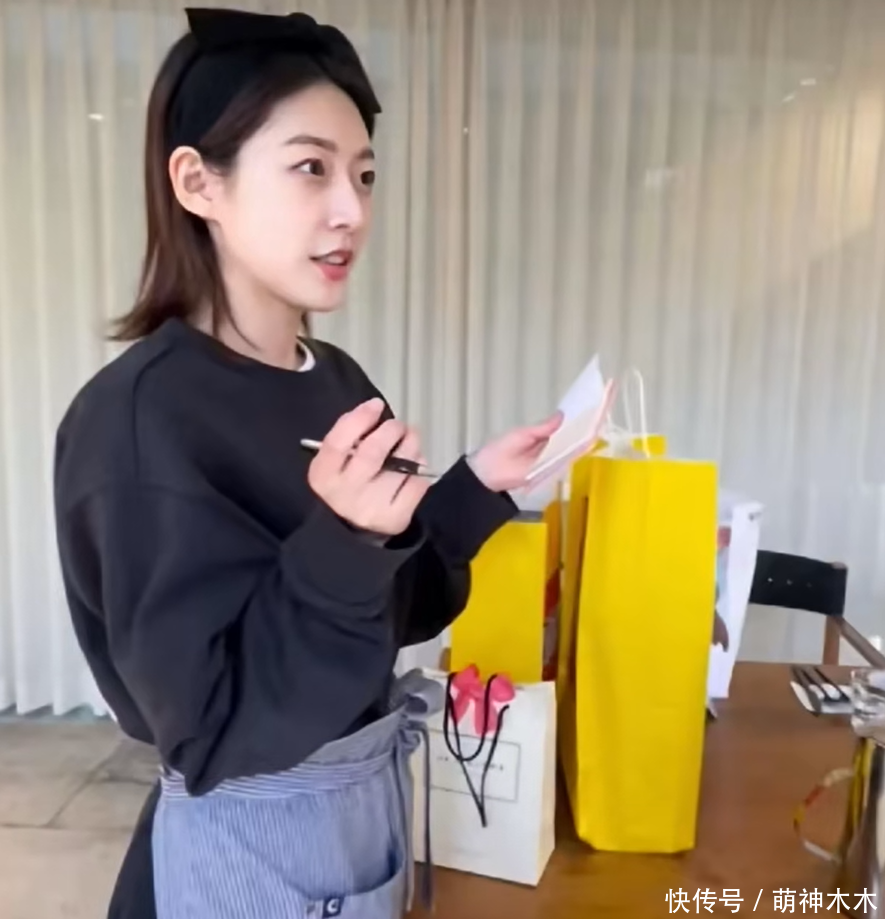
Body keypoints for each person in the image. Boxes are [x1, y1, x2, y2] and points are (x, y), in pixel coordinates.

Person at [52, 8, 560, 919]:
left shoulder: (334, 377)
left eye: (364, 174)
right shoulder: (136, 422)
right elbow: (213, 727)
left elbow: (393, 611)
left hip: (358, 815)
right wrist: (346, 539)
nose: (352, 210)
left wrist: (472, 488)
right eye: (310, 168)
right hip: (245, 843)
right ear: (198, 182)